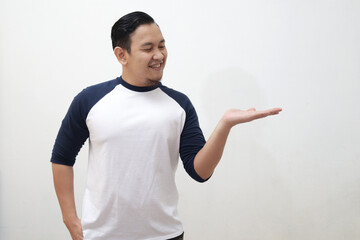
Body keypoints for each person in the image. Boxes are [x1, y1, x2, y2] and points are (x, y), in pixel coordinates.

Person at [51, 11, 282, 240]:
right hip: (102, 236)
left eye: (162, 46)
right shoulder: (90, 100)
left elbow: (200, 171)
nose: (159, 55)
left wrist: (225, 125)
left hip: (165, 235)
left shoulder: (179, 105)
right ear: (122, 55)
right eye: (148, 48)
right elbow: (62, 157)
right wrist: (70, 220)